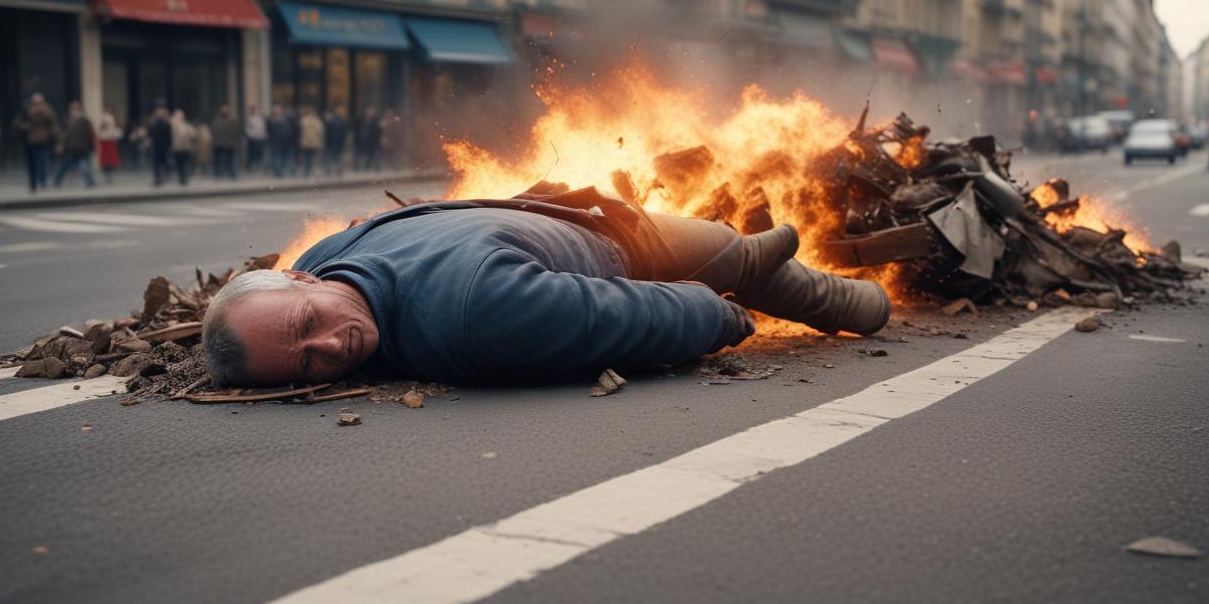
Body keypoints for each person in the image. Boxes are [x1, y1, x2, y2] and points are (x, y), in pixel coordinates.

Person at [201, 186, 891, 388]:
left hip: (566, 215)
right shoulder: (477, 317)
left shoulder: (329, 252)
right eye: (309, 362)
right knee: (738, 256)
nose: (331, 343)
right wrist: (718, 315)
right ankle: (847, 301)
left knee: (737, 248)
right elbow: (619, 317)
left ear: (300, 275)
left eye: (304, 323)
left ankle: (745, 259)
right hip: (628, 252)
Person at [53, 101, 96, 188]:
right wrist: (62, 145)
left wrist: (92, 147)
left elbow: (90, 135)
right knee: (64, 166)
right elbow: (66, 135)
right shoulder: (69, 121)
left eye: (76, 109)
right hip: (72, 148)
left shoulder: (84, 121)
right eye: (73, 109)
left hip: (83, 148)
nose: (74, 111)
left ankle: (90, 182)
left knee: (85, 167)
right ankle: (57, 181)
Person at [25, 93, 59, 192]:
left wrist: (55, 137)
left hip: (42, 139)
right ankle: (37, 181)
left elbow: (52, 123)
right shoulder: (31, 109)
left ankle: (42, 181)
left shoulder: (45, 110)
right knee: (36, 162)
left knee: (42, 161)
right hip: (32, 139)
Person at [212, 104, 240, 179]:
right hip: (220, 144)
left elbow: (236, 132)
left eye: (226, 109)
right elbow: (215, 132)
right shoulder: (217, 121)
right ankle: (220, 173)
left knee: (231, 160)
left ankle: (231, 173)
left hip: (230, 144)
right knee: (221, 160)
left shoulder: (232, 121)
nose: (225, 111)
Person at [148, 107, 172, 186]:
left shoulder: (156, 124)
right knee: (161, 163)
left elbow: (150, 134)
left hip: (159, 147)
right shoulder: (166, 124)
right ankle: (161, 177)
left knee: (158, 164)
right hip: (161, 147)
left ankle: (159, 178)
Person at [266, 104, 293, 178]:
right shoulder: (271, 121)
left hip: (284, 143)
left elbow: (289, 131)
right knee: (277, 158)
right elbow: (269, 132)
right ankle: (278, 172)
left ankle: (280, 171)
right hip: (276, 143)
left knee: (283, 158)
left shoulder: (285, 120)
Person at [97, 105, 123, 183]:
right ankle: (107, 170)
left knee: (110, 155)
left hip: (110, 138)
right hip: (105, 138)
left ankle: (109, 169)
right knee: (107, 156)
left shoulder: (111, 117)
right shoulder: (104, 117)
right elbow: (102, 126)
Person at [298, 105, 324, 178]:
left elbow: (300, 131)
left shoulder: (303, 120)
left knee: (307, 157)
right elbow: (320, 132)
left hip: (306, 142)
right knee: (312, 157)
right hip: (313, 142)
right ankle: (309, 170)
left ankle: (307, 170)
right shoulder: (317, 121)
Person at [170, 108, 195, 185]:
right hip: (177, 148)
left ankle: (183, 177)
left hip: (185, 148)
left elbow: (193, 134)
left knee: (184, 164)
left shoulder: (186, 125)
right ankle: (182, 177)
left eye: (181, 115)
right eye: (178, 115)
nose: (180, 117)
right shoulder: (172, 124)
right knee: (179, 164)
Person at [323, 105, 348, 177]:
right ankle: (337, 171)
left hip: (331, 142)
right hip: (338, 142)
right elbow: (344, 134)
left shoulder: (330, 121)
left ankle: (329, 171)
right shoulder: (342, 122)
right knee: (337, 157)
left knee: (331, 157)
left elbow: (327, 133)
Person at [355, 106, 381, 172]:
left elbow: (377, 132)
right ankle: (359, 167)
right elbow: (358, 130)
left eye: (371, 113)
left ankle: (368, 167)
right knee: (361, 155)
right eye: (368, 113)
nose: (369, 114)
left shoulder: (376, 122)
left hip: (372, 142)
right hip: (362, 141)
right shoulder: (361, 120)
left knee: (371, 155)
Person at [244, 104, 267, 172]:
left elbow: (263, 129)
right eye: (255, 110)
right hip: (253, 139)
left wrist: (263, 135)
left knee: (260, 155)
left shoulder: (261, 119)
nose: (257, 111)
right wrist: (251, 135)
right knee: (252, 155)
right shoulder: (249, 119)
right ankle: (251, 167)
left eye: (258, 110)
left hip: (260, 139)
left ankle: (260, 167)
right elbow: (247, 130)